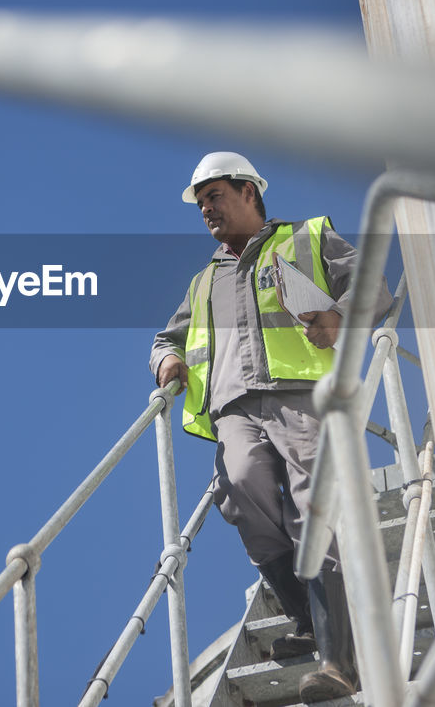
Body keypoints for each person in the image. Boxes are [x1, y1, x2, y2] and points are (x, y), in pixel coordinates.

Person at [150, 151, 393, 702]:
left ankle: (336, 659)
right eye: (201, 201)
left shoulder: (307, 238)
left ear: (249, 193)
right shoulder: (204, 281)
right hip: (234, 407)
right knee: (241, 491)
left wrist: (338, 315)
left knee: (316, 506)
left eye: (214, 196)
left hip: (302, 395)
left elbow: (371, 286)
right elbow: (168, 338)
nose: (206, 209)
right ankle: (305, 616)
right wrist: (165, 362)